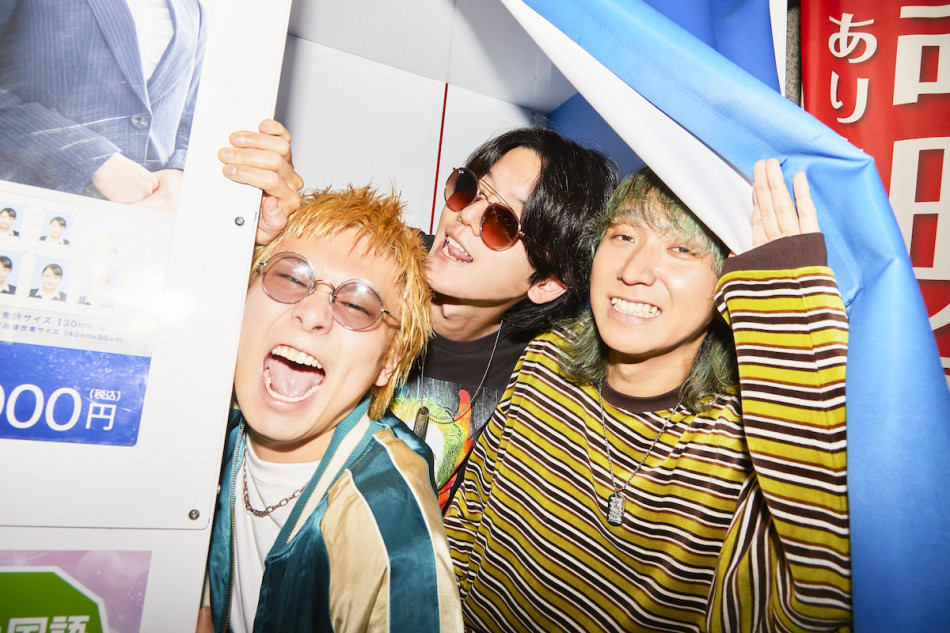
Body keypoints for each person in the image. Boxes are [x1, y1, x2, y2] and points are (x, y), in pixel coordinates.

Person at [443, 160, 851, 632]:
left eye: (681, 249)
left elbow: (818, 601)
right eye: (623, 236)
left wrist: (787, 324)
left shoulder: (740, 444)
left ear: (728, 283)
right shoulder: (546, 360)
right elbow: (467, 524)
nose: (634, 271)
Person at [221, 124, 619, 508]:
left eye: (503, 223)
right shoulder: (369, 262)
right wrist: (262, 226)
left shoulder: (540, 369)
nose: (466, 216)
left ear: (547, 283)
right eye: (470, 191)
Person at [203, 185, 462, 633]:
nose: (312, 313)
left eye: (358, 305)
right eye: (290, 278)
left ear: (389, 362)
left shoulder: (389, 524)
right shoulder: (209, 424)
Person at [0, 0, 206, 211]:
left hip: (145, 220)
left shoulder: (193, 8)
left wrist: (179, 174)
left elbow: (191, 116)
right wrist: (90, 157)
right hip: (34, 211)